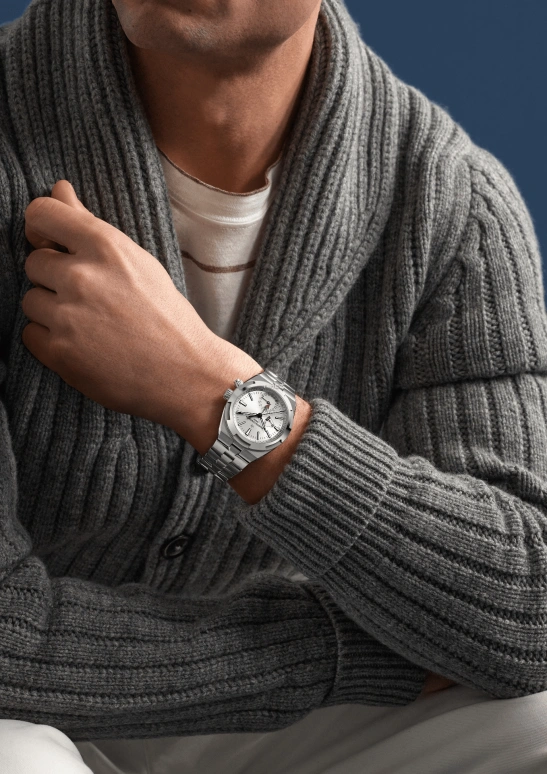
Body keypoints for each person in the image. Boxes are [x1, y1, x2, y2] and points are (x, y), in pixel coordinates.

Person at [0, 0, 546, 771]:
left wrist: (215, 397)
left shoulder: (449, 204)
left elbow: (526, 607)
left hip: (236, 720)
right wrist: (332, 654)